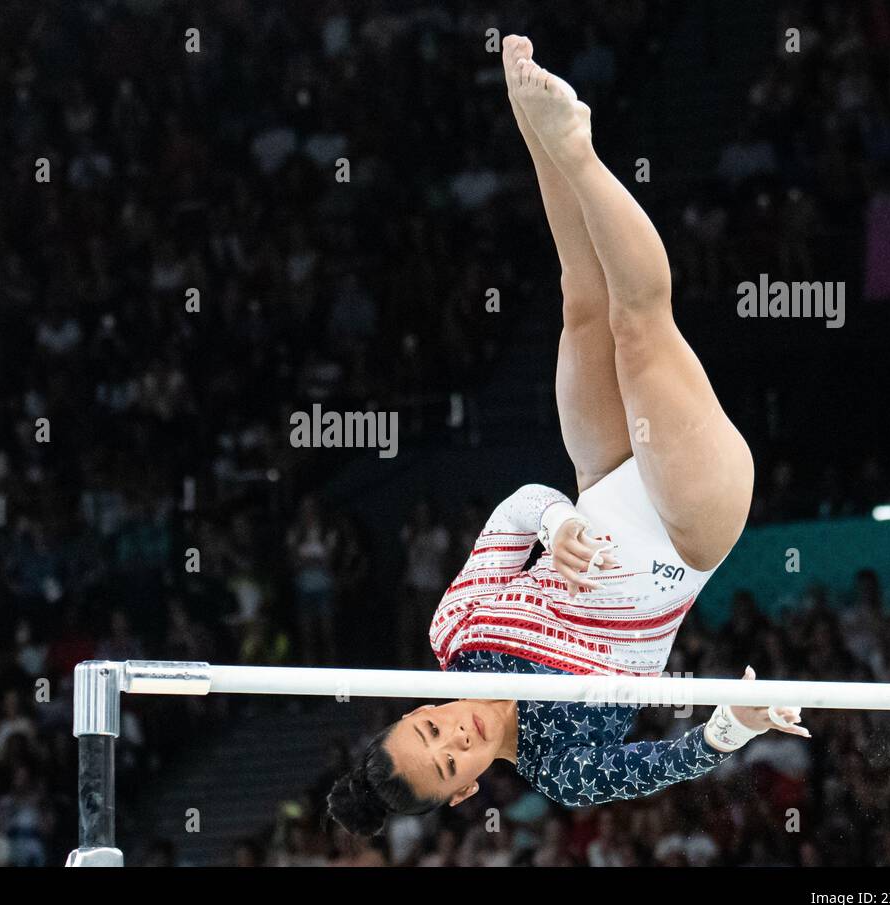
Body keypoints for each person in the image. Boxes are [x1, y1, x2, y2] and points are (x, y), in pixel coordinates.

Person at [328, 37, 808, 837]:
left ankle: (537, 132)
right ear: (463, 795)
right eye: (451, 763)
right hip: (686, 530)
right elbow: (673, 759)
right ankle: (578, 151)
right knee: (637, 326)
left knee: (581, 301)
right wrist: (736, 723)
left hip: (604, 479)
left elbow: (518, 510)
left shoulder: (455, 630)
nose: (457, 737)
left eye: (429, 730)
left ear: (416, 710)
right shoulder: (563, 766)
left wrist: (557, 523)